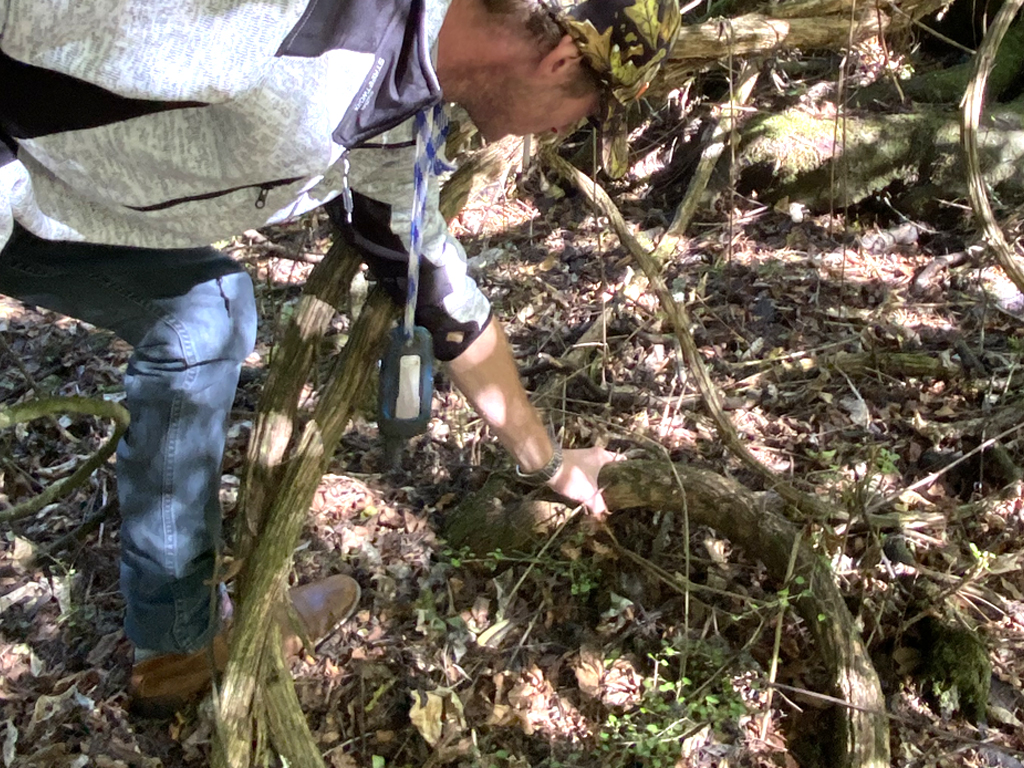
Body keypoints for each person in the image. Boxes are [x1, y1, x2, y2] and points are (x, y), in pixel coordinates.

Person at [0, 0, 680, 715]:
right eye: (588, 109)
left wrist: (547, 460)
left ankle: (177, 646)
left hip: (49, 207)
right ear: (562, 60)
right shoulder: (285, 18)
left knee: (207, 313)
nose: (567, 130)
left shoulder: (403, 102)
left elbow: (433, 282)